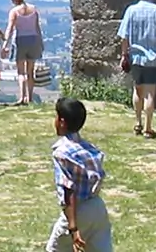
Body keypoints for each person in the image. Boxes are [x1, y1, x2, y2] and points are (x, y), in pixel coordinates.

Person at [46, 97, 113, 252]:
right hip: (97, 207)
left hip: (78, 210)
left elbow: (68, 189)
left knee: (55, 249)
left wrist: (73, 228)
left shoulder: (62, 152)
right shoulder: (89, 148)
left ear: (62, 121)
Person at [117, 0, 156, 138]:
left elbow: (124, 37)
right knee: (150, 93)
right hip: (153, 58)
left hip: (135, 57)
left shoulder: (131, 11)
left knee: (137, 90)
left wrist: (124, 55)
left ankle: (137, 122)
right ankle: (148, 128)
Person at [4, 0, 44, 105]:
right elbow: (37, 27)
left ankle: (22, 97)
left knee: (21, 72)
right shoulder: (34, 9)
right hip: (33, 40)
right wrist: (40, 42)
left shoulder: (14, 12)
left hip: (20, 40)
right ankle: (30, 97)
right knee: (30, 71)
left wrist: (5, 44)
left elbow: (10, 28)